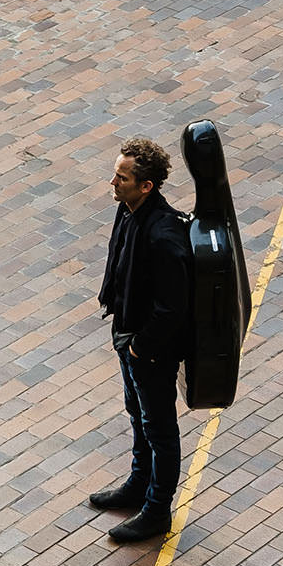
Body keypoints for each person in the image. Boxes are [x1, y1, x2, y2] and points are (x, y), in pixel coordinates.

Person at [91, 136, 193, 544]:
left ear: (146, 185)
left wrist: (140, 348)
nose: (112, 183)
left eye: (121, 177)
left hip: (149, 349)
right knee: (137, 414)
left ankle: (157, 510)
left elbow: (173, 308)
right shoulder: (128, 210)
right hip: (128, 335)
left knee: (160, 428)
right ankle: (138, 483)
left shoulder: (164, 235)